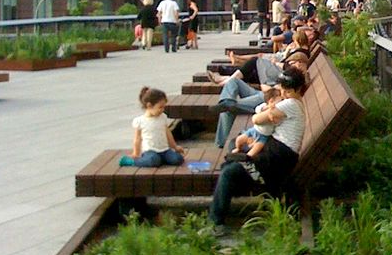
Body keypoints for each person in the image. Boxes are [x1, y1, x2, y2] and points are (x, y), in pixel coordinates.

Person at [209, 68, 307, 232]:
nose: (283, 93)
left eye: (288, 90)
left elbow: (257, 119)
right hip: (275, 152)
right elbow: (263, 121)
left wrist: (263, 115)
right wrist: (267, 114)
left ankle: (216, 224)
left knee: (229, 171)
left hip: (277, 159)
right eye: (282, 88)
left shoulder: (290, 104)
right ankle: (242, 168)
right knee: (234, 146)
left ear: (298, 90)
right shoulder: (291, 103)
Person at [120, 87, 186, 167]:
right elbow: (137, 139)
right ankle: (132, 162)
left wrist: (175, 147)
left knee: (178, 159)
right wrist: (136, 153)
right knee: (153, 160)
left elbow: (168, 133)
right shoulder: (140, 121)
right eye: (160, 107)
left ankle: (162, 159)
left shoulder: (163, 117)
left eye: (163, 107)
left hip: (164, 150)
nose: (162, 110)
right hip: (150, 151)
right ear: (149, 106)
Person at [233, 87, 280, 157]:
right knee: (239, 139)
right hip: (254, 130)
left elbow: (277, 123)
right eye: (280, 99)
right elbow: (257, 109)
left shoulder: (278, 111)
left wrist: (274, 120)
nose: (282, 101)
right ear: (271, 100)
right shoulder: (264, 106)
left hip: (264, 136)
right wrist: (266, 108)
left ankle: (247, 157)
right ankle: (238, 148)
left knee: (257, 148)